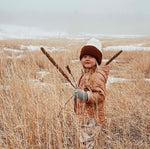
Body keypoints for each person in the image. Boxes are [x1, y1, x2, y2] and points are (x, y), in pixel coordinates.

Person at [74, 38, 110, 148]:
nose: (87, 59)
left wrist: (84, 96)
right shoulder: (86, 73)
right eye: (84, 57)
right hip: (86, 115)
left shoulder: (96, 75)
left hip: (92, 116)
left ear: (97, 60)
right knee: (85, 140)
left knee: (87, 141)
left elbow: (100, 95)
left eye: (91, 57)